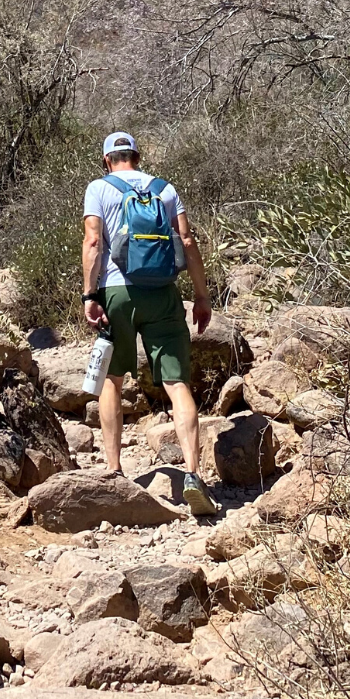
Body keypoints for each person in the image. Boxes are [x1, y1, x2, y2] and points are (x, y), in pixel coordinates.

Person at [81, 130, 217, 516]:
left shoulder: (99, 188)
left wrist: (90, 295)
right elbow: (187, 242)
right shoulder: (165, 189)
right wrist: (202, 296)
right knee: (177, 382)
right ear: (137, 157)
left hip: (117, 292)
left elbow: (93, 242)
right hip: (162, 291)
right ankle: (193, 473)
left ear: (108, 160)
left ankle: (114, 471)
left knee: (113, 377)